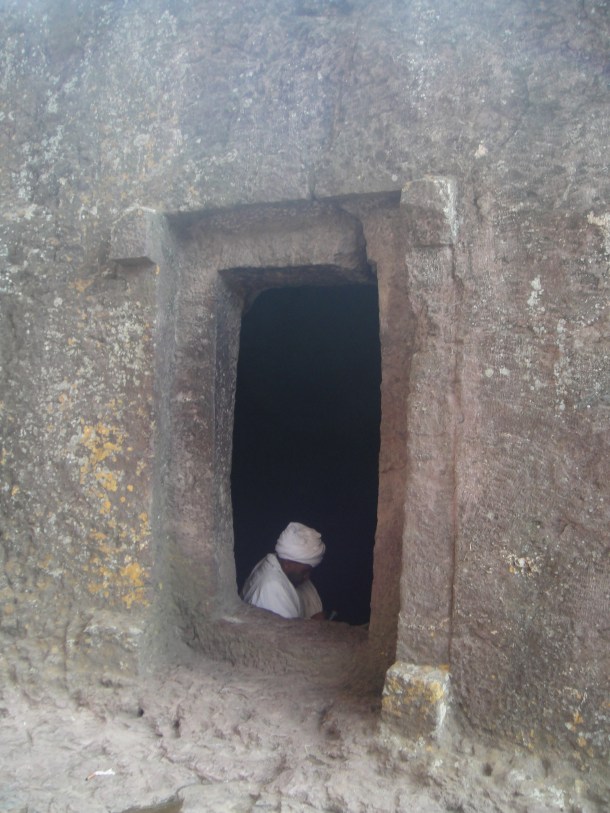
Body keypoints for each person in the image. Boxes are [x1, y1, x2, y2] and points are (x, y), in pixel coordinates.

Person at [241, 522, 325, 620]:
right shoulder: (272, 589)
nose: (307, 577)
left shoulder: (277, 561)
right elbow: (287, 633)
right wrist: (314, 624)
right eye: (304, 572)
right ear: (287, 564)